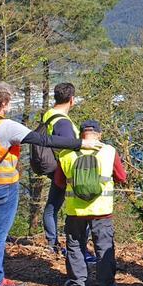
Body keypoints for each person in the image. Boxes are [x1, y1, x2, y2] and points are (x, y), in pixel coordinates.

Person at [0, 82, 95, 286]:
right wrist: (80, 143)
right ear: (3, 103)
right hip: (3, 186)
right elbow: (44, 140)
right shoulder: (6, 126)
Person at [55, 120, 126, 286]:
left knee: (75, 246)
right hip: (102, 210)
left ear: (81, 135)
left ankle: (77, 284)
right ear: (99, 135)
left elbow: (58, 181)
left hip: (75, 210)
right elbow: (121, 176)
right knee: (104, 246)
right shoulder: (109, 151)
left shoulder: (66, 153)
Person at [41, 82, 91, 261]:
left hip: (56, 166)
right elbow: (69, 145)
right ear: (72, 100)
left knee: (52, 206)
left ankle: (52, 242)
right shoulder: (62, 121)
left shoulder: (49, 114)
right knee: (76, 209)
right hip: (66, 169)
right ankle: (74, 247)